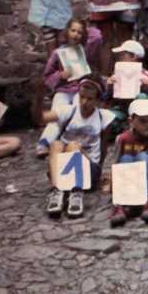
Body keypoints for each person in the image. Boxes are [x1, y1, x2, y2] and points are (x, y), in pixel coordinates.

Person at [43, 76, 116, 219]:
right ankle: (57, 190)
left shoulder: (104, 117)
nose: (84, 102)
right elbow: (40, 118)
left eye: (90, 99)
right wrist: (38, 97)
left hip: (88, 169)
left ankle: (77, 192)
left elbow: (103, 148)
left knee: (72, 146)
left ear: (97, 101)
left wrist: (99, 171)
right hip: (63, 167)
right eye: (81, 97)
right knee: (56, 144)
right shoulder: (69, 111)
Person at [35, 19, 103, 158]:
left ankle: (77, 142)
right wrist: (60, 75)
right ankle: (44, 142)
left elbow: (97, 36)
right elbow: (47, 76)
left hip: (80, 90)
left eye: (79, 32)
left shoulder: (84, 50)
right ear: (67, 31)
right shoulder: (58, 53)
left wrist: (85, 29)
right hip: (64, 90)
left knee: (80, 114)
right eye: (73, 31)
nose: (76, 34)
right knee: (57, 116)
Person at [109, 99, 148, 226]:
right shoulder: (123, 139)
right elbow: (115, 164)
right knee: (125, 158)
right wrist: (113, 187)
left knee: (143, 156)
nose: (147, 124)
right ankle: (121, 203)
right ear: (131, 121)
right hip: (132, 182)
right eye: (142, 121)